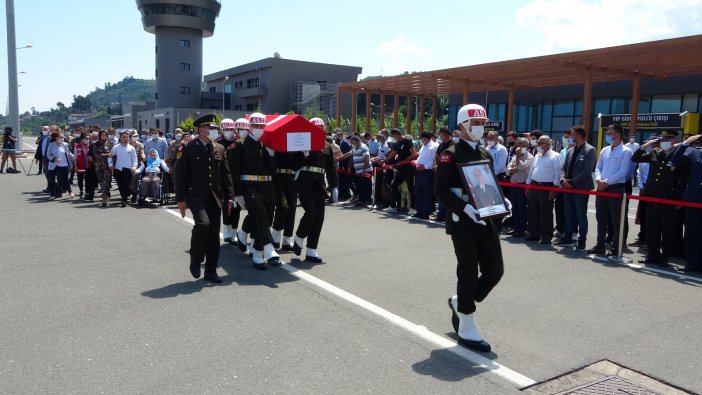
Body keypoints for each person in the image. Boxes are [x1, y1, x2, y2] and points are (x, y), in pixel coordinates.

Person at [436, 103, 508, 353]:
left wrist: (501, 199)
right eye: (475, 123)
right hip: (463, 222)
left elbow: (488, 183)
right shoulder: (450, 153)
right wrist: (464, 208)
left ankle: (460, 302)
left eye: (481, 123)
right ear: (462, 126)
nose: (479, 128)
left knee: (495, 271)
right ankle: (466, 323)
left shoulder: (485, 153)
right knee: (467, 272)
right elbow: (441, 190)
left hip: (486, 218)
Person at [175, 114, 234, 283]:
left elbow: (226, 175)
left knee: (214, 234)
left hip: (214, 196)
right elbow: (181, 175)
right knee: (203, 224)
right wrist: (180, 199)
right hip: (195, 195)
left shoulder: (220, 148)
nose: (214, 131)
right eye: (210, 128)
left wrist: (230, 196)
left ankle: (211, 270)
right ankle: (196, 256)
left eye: (215, 128)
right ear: (201, 130)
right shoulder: (188, 147)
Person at [230, 113, 281, 269]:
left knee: (265, 218)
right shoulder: (239, 144)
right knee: (261, 214)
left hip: (267, 187)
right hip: (250, 187)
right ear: (250, 126)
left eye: (262, 126)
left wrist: (271, 154)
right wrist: (237, 194)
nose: (259, 129)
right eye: (256, 126)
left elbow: (272, 171)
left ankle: (256, 252)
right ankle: (268, 247)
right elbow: (234, 171)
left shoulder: (263, 145)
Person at [631, 130, 687, 266]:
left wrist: (679, 199)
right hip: (652, 197)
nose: (663, 142)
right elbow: (635, 158)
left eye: (666, 139)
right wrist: (646, 145)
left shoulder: (679, 155)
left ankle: (665, 256)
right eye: (662, 139)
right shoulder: (655, 152)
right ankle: (652, 254)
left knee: (667, 229)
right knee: (652, 228)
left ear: (673, 140)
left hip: (668, 198)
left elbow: (682, 180)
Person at [292, 126, 339, 263]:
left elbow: (330, 167)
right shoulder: (301, 143)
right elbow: (293, 166)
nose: (319, 130)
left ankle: (312, 249)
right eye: (316, 128)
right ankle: (299, 236)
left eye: (321, 128)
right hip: (304, 183)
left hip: (319, 184)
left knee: (319, 218)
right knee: (311, 213)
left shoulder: (327, 146)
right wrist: (304, 155)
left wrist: (334, 186)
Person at [587, 124, 633, 256]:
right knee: (601, 219)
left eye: (610, 133)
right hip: (601, 189)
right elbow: (598, 167)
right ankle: (600, 245)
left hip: (615, 189)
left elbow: (623, 172)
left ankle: (615, 248)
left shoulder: (626, 151)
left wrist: (605, 182)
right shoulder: (605, 150)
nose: (608, 135)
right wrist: (598, 180)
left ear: (617, 135)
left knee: (616, 221)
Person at [556, 125, 596, 250]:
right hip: (567, 187)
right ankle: (568, 237)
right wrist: (562, 179)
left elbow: (587, 170)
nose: (570, 137)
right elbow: (563, 168)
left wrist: (572, 181)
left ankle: (581, 240)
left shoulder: (590, 150)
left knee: (580, 214)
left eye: (572, 134)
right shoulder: (570, 151)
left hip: (580, 187)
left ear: (579, 135)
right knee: (568, 214)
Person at [670, 134, 702, 272]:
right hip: (695, 198)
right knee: (692, 233)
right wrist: (685, 144)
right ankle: (692, 263)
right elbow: (674, 161)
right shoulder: (694, 152)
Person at [525, 136, 562, 244]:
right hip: (534, 185)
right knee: (532, 210)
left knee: (546, 212)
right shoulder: (537, 155)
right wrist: (528, 185)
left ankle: (546, 235)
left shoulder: (555, 156)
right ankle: (533, 233)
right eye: (538, 143)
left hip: (547, 186)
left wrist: (554, 189)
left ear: (547, 144)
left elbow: (558, 174)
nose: (538, 145)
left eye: (540, 143)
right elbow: (532, 171)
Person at [385, 128, 418, 213]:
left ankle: (412, 208)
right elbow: (393, 152)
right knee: (394, 186)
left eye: (394, 135)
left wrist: (405, 161)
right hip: (400, 169)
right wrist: (385, 159)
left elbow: (414, 154)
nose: (393, 137)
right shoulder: (397, 143)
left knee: (410, 188)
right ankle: (393, 206)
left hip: (408, 168)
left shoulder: (407, 141)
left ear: (397, 134)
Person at [506, 137, 534, 237]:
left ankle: (521, 229)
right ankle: (516, 227)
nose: (520, 148)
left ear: (527, 146)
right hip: (513, 185)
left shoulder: (530, 157)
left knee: (522, 208)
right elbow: (508, 170)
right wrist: (515, 168)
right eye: (519, 145)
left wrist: (518, 157)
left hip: (522, 185)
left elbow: (522, 167)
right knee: (515, 208)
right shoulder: (514, 157)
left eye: (523, 146)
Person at [411, 131, 438, 219]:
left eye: (424, 139)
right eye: (421, 139)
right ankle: (419, 210)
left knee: (427, 193)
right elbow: (420, 157)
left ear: (429, 138)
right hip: (419, 171)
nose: (422, 140)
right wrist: (415, 162)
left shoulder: (434, 146)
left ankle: (426, 212)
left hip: (427, 172)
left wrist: (425, 167)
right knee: (419, 191)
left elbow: (434, 160)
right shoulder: (423, 146)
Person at [108, 131, 138, 207]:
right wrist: (110, 165)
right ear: (120, 138)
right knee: (120, 185)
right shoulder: (116, 147)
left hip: (127, 169)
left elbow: (135, 159)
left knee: (125, 184)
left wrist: (134, 167)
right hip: (118, 169)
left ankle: (124, 199)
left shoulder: (131, 148)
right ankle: (127, 194)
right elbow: (110, 157)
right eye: (123, 137)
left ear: (129, 139)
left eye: (127, 137)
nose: (125, 139)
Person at [46, 131, 74, 199]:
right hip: (54, 165)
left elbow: (69, 153)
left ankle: (70, 192)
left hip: (63, 164)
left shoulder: (65, 145)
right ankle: (52, 194)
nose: (62, 138)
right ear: (56, 138)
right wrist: (54, 159)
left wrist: (72, 156)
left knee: (65, 179)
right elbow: (48, 155)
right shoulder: (51, 145)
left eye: (62, 137)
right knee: (52, 180)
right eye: (60, 137)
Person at [90, 130, 113, 206]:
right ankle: (105, 195)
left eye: (105, 135)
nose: (104, 136)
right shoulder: (96, 144)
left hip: (108, 165)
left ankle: (105, 196)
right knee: (101, 181)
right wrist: (107, 155)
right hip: (99, 165)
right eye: (102, 135)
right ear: (99, 136)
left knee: (107, 181)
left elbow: (113, 153)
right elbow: (96, 154)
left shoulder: (110, 143)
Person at [72, 131, 93, 199]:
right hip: (80, 165)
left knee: (88, 180)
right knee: (80, 179)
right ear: (82, 139)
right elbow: (75, 157)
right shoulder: (77, 146)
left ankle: (87, 192)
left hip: (89, 166)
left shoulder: (90, 146)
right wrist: (75, 166)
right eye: (86, 139)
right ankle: (81, 191)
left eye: (88, 139)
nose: (87, 140)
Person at [129, 129, 146, 204]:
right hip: (127, 164)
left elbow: (142, 152)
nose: (135, 137)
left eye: (136, 136)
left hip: (137, 164)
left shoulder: (140, 144)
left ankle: (134, 194)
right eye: (133, 136)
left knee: (136, 178)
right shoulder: (127, 144)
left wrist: (144, 157)